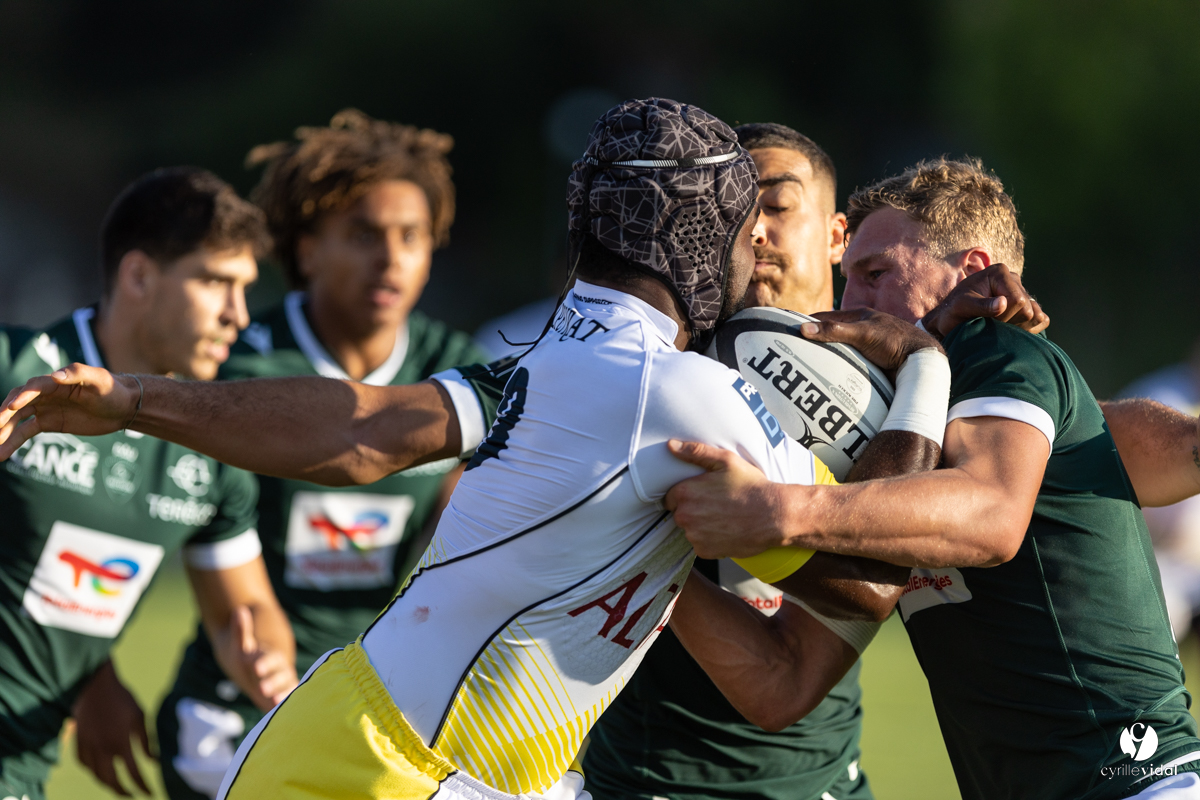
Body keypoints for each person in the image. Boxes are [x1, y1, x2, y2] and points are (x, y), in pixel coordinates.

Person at [0, 99, 960, 800]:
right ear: (697, 236)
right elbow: (883, 552)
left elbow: (362, 427)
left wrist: (137, 398)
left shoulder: (548, 359)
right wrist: (922, 372)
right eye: (743, 223)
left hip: (367, 750)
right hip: (404, 777)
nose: (758, 246)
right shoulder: (683, 392)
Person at [661, 158, 1200, 800]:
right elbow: (782, 681)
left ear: (972, 275)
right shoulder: (903, 443)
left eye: (876, 274)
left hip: (1135, 784)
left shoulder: (997, 348)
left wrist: (779, 510)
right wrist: (654, 548)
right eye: (846, 281)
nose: (851, 305)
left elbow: (992, 517)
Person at [146, 110, 489, 800]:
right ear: (306, 250)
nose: (391, 259)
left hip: (367, 708)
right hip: (231, 708)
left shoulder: (451, 373)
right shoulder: (241, 365)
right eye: (364, 235)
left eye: (411, 237)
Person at [582, 122, 873, 800]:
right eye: (736, 214)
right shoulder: (658, 373)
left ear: (837, 235)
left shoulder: (897, 388)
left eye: (777, 205)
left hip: (827, 781)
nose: (757, 231)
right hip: (655, 780)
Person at [0, 168, 297, 800]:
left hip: (23, 770)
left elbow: (241, 615)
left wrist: (263, 663)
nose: (237, 315)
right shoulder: (13, 371)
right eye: (216, 282)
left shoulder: (209, 450)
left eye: (245, 289)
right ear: (139, 276)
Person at [1118, 339, 1200, 642]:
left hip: (1189, 565)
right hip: (1154, 558)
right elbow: (1165, 523)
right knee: (1161, 610)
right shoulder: (1162, 398)